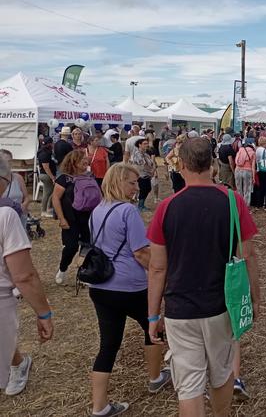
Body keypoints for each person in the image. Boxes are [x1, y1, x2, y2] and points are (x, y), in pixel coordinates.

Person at [146, 137, 260, 417]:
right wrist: (254, 299)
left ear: (181, 164)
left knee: (189, 386)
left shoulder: (166, 208)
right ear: (211, 164)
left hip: (179, 308)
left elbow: (158, 268)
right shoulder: (232, 202)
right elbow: (248, 256)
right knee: (221, 374)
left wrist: (152, 316)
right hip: (222, 305)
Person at [88, 164, 172, 416]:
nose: (137, 187)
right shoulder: (128, 211)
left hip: (101, 286)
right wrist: (160, 274)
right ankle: (155, 377)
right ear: (119, 182)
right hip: (130, 286)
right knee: (153, 327)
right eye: (132, 183)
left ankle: (99, 405)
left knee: (108, 345)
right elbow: (140, 252)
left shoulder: (97, 210)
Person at [0, 157, 53, 396]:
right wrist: (44, 313)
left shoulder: (6, 216)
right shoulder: (5, 217)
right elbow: (24, 276)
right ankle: (18, 362)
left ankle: (18, 363)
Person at [51, 149, 94, 285]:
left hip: (88, 217)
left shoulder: (90, 176)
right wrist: (61, 218)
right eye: (82, 159)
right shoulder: (64, 178)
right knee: (71, 246)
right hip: (70, 218)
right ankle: (63, 269)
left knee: (87, 246)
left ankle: (84, 273)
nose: (85, 161)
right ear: (73, 162)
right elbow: (56, 198)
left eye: (86, 159)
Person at [0, 150, 30, 230]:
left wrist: (23, 206)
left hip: (19, 216)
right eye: (5, 161)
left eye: (10, 161)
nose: (8, 164)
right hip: (4, 218)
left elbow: (26, 197)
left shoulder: (18, 177)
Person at [129, 138, 156, 212]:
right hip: (140, 175)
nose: (146, 145)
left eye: (147, 143)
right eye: (144, 144)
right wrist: (151, 171)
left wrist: (153, 169)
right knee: (144, 189)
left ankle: (141, 204)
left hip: (146, 175)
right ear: (139, 145)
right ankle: (140, 205)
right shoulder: (137, 154)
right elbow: (142, 165)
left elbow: (151, 162)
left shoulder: (145, 153)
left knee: (147, 189)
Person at [234, 138, 256, 208]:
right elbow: (253, 166)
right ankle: (245, 207)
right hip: (247, 171)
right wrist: (253, 177)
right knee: (247, 190)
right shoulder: (252, 152)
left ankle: (239, 205)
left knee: (239, 189)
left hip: (237, 170)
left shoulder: (240, 150)